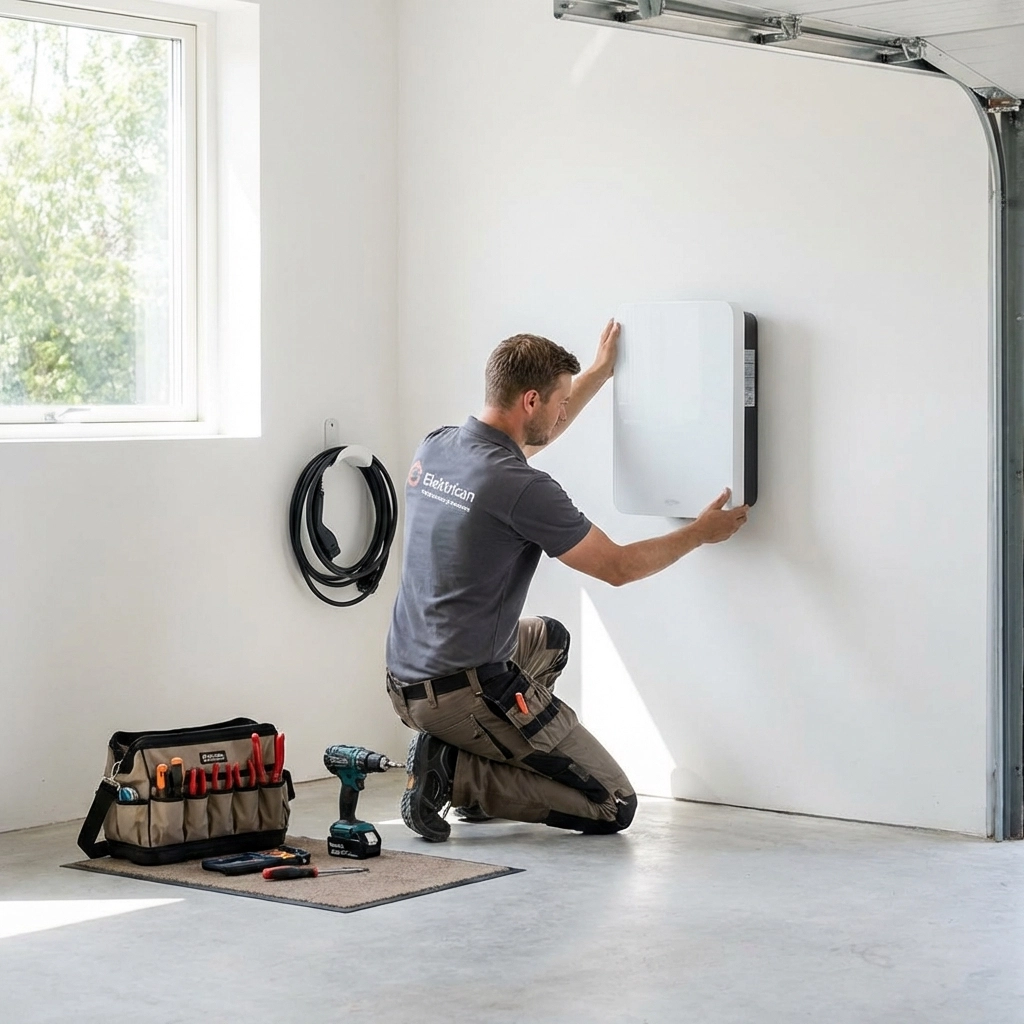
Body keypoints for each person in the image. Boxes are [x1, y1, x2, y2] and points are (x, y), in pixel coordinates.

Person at [386, 320, 749, 841]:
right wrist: (699, 533)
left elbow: (526, 450)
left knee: (548, 639)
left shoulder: (440, 447)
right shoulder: (522, 488)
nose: (563, 411)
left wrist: (598, 375)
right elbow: (617, 567)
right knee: (611, 803)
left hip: (405, 676)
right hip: (461, 692)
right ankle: (461, 774)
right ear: (530, 401)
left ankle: (468, 754)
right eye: (559, 401)